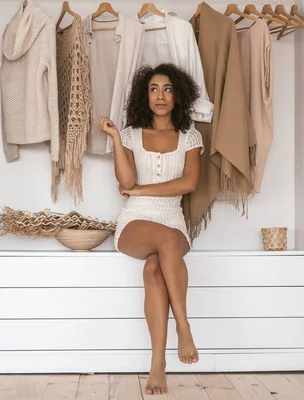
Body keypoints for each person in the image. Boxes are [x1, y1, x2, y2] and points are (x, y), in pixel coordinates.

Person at [99, 63, 204, 395]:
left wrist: (143, 190)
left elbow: (189, 183)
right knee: (165, 238)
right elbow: (127, 183)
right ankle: (183, 328)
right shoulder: (130, 134)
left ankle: (157, 363)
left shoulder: (190, 137)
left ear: (178, 95)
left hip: (172, 218)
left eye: (168, 89)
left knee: (155, 269)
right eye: (154, 89)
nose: (161, 96)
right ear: (145, 95)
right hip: (136, 222)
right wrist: (116, 138)